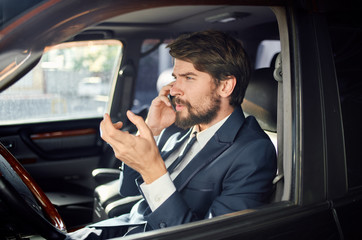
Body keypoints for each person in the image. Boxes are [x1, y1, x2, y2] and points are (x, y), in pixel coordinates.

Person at [67, 30, 277, 239]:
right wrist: (151, 131)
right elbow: (129, 189)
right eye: (176, 77)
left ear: (225, 86)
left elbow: (211, 236)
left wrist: (153, 170)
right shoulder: (177, 127)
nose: (174, 89)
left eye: (188, 77)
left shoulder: (254, 152)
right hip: (126, 227)